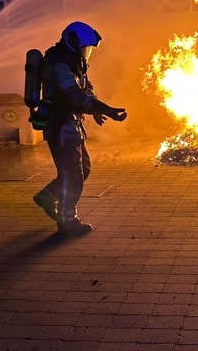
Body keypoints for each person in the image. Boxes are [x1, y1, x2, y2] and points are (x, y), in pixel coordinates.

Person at [32, 21, 127, 236]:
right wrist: (107, 110)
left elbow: (86, 88)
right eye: (84, 48)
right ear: (72, 43)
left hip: (72, 125)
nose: (86, 53)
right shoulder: (59, 64)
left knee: (84, 168)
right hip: (61, 126)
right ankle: (67, 221)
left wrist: (96, 109)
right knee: (73, 175)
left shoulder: (73, 61)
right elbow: (74, 96)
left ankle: (48, 196)